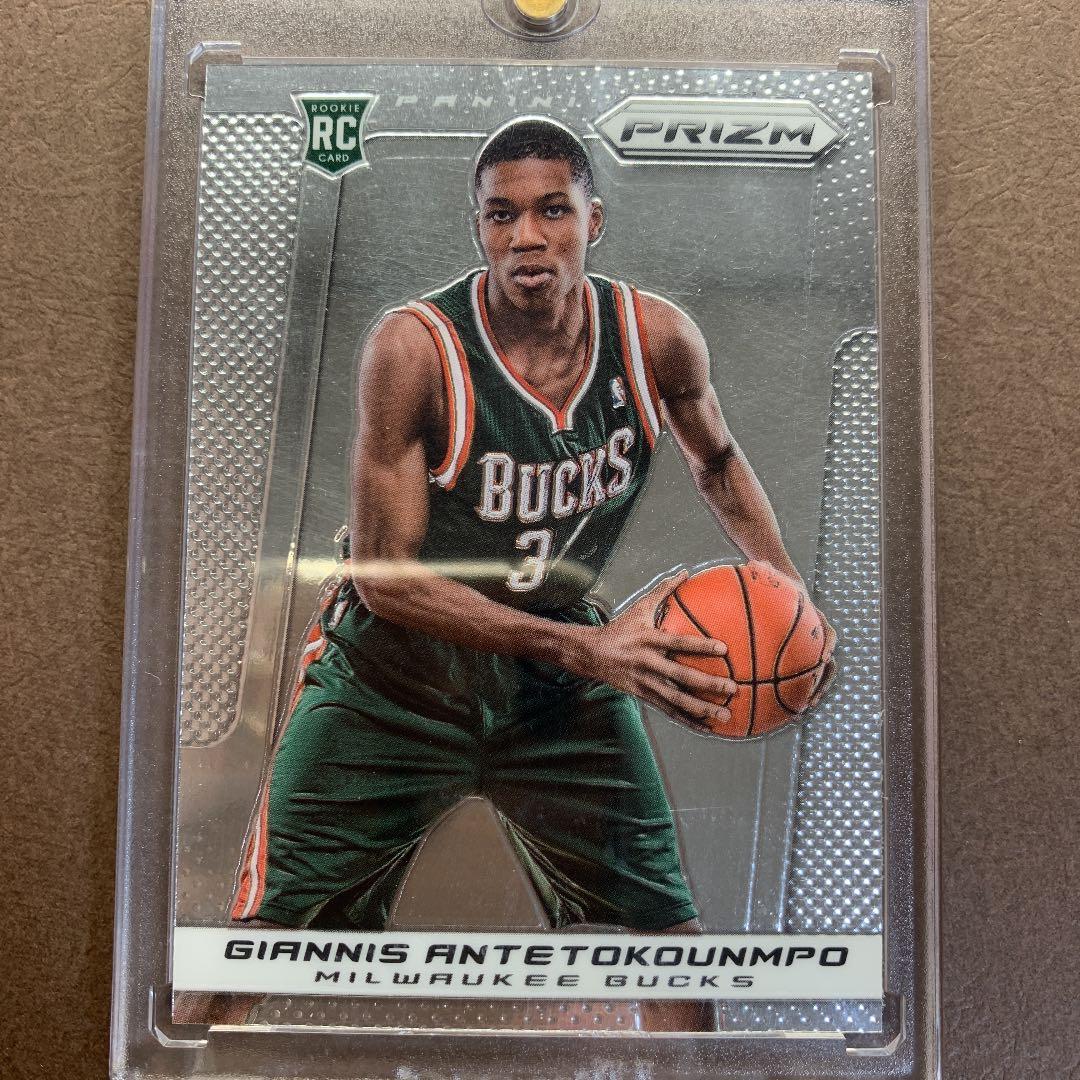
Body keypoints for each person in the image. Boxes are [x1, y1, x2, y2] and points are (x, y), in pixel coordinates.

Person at [184, 117, 830, 1030]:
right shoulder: (416, 350)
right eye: (502, 215)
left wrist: (789, 597)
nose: (527, 236)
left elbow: (717, 460)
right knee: (261, 939)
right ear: (479, 228)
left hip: (556, 679)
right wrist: (588, 652)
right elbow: (384, 579)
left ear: (593, 220)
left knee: (671, 947)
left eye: (552, 211)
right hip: (393, 678)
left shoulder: (656, 339)